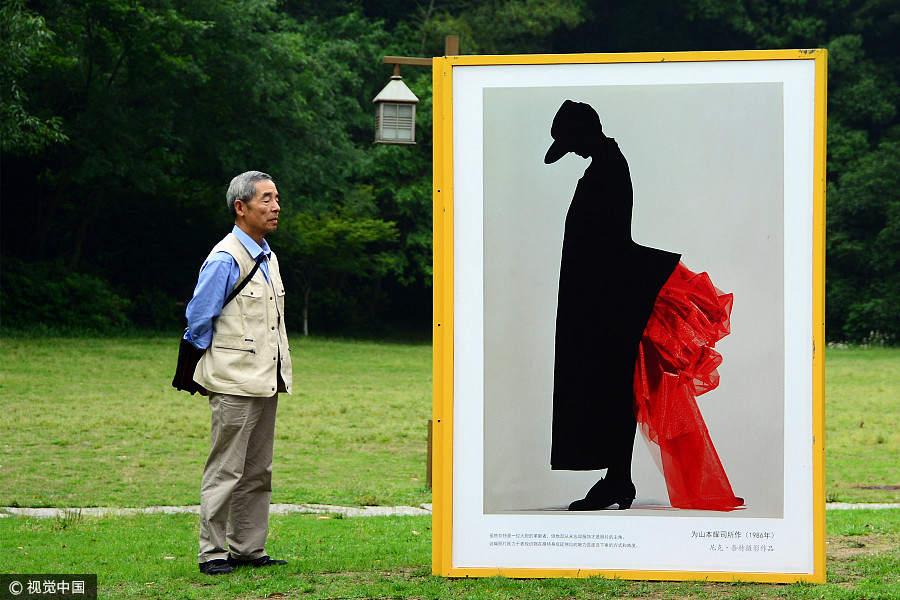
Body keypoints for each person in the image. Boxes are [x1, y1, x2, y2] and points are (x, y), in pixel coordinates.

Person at [544, 101, 742, 511]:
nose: (573, 152)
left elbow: (607, 240)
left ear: (586, 133)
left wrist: (609, 291)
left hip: (611, 295)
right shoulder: (604, 165)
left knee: (620, 385)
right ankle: (618, 479)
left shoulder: (608, 168)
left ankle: (618, 480)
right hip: (604, 293)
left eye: (573, 142)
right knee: (618, 386)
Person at [184, 171, 293, 575]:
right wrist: (215, 365)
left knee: (258, 470)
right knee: (226, 469)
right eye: (266, 199)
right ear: (241, 207)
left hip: (266, 380)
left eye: (276, 198)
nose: (276, 207)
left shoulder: (268, 255)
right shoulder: (225, 258)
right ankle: (212, 553)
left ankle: (248, 548)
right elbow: (199, 317)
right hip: (233, 383)